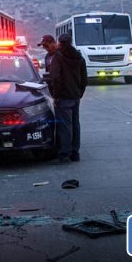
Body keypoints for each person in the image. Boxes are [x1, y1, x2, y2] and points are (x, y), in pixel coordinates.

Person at [48, 33, 88, 164]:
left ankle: (64, 154)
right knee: (75, 125)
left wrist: (56, 95)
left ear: (60, 43)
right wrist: (79, 93)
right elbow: (84, 79)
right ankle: (75, 153)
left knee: (65, 127)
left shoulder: (58, 57)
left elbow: (55, 78)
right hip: (75, 96)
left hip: (63, 97)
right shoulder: (79, 57)